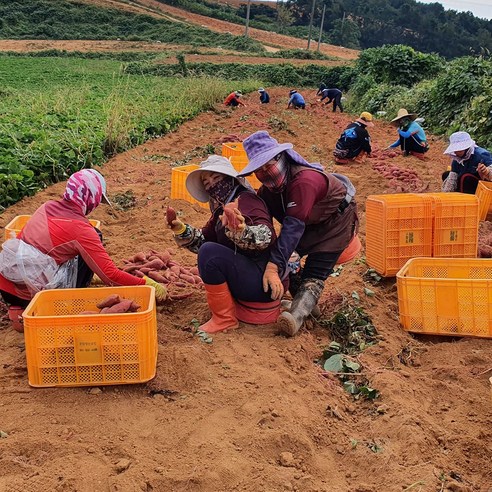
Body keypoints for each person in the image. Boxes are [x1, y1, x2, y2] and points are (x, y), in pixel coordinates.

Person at [0, 169, 167, 331]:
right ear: (90, 198)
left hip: (5, 284)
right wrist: (148, 284)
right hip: (33, 295)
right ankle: (37, 305)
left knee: (70, 249)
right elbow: (111, 277)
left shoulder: (47, 206)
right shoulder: (81, 230)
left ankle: (17, 309)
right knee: (94, 237)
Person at [239, 131, 359, 337]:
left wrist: (272, 266)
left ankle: (295, 317)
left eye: (270, 164)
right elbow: (265, 223)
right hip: (307, 223)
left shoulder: (305, 181)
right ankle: (308, 306)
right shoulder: (268, 192)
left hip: (336, 222)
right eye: (259, 169)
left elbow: (293, 227)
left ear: (282, 157)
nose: (266, 172)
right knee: (288, 259)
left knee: (314, 270)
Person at [166, 155, 280, 334]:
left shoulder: (247, 201)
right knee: (208, 249)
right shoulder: (221, 209)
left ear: (230, 179)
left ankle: (224, 319)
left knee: (209, 253)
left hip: (264, 282)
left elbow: (267, 236)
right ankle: (226, 313)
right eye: (206, 181)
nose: (211, 183)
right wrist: (182, 230)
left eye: (216, 177)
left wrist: (243, 232)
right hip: (251, 277)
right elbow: (204, 239)